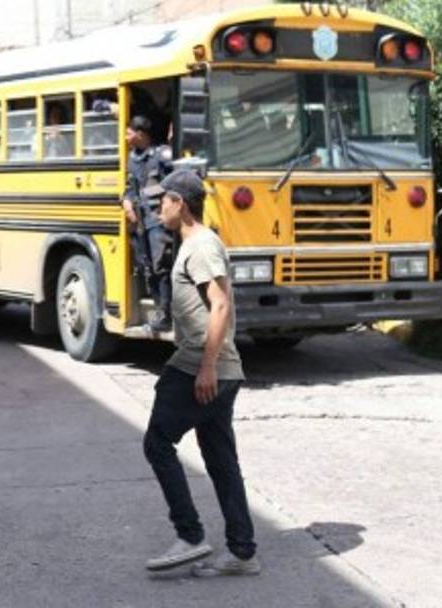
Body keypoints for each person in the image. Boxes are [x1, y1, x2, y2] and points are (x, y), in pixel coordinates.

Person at [140, 170, 258, 577]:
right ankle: (242, 550)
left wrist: (206, 366)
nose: (159, 208)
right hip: (219, 369)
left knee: (157, 443)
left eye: (163, 201)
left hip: (199, 367)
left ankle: (190, 535)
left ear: (181, 204)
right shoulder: (192, 245)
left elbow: (220, 305)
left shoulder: (201, 246)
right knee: (221, 460)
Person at [122, 115, 173, 331]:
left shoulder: (160, 155)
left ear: (141, 135)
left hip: (157, 221)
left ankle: (165, 314)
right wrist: (126, 203)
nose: (126, 137)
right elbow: (127, 187)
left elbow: (174, 180)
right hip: (139, 222)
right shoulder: (131, 160)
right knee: (147, 268)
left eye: (129, 133)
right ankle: (156, 315)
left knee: (161, 266)